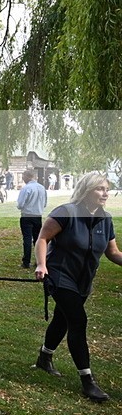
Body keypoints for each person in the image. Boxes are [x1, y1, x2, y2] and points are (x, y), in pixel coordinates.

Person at [33, 172, 122, 402]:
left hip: (83, 282)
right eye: (100, 189)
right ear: (87, 190)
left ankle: (44, 357)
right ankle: (87, 381)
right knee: (78, 321)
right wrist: (42, 265)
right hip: (59, 276)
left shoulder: (106, 219)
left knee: (62, 319)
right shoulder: (66, 212)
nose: (105, 193)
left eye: (106, 189)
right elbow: (43, 238)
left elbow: (113, 253)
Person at [16, 168, 47, 269]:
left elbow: (20, 204)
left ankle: (26, 261)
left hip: (27, 216)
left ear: (27, 176)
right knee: (38, 239)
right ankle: (40, 260)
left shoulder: (26, 188)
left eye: (23, 177)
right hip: (38, 216)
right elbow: (45, 203)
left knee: (27, 238)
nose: (23, 179)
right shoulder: (42, 188)